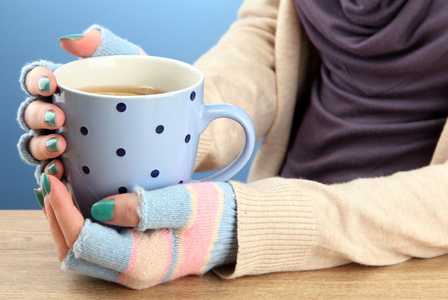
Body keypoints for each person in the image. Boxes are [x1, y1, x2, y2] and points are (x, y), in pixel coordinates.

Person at [17, 0, 448, 290]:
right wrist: (167, 113)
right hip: (265, 260)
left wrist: (236, 227)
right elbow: (264, 39)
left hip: (410, 264)